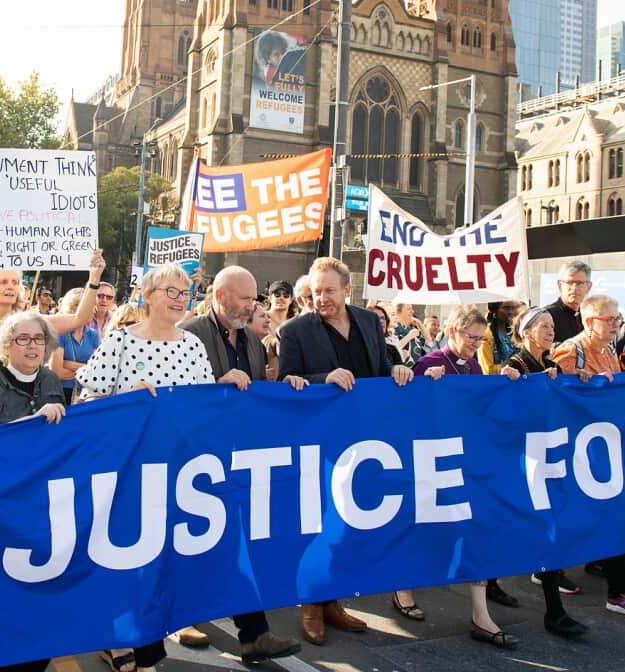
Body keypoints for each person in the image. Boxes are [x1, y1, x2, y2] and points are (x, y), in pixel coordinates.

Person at [76, 263, 216, 672]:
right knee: (121, 560)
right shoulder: (120, 341)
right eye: (170, 290)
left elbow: (205, 406)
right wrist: (125, 400)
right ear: (148, 295)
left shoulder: (192, 345)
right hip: (125, 470)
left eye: (184, 292)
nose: (179, 298)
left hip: (175, 472)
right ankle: (116, 641)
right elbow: (84, 404)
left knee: (161, 561)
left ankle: (150, 650)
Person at [277, 257, 413, 646]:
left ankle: (332, 601)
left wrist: (396, 371)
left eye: (329, 291)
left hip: (366, 441)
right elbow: (289, 381)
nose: (321, 298)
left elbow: (382, 364)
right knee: (318, 525)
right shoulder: (294, 331)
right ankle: (310, 605)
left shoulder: (369, 322)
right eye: (316, 292)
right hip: (320, 442)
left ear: (346, 290)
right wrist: (323, 379)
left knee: (349, 523)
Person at [177, 266, 306, 664]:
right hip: (193, 458)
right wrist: (215, 382)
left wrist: (282, 387)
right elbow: (175, 394)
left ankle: (254, 635)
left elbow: (255, 392)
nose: (253, 306)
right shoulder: (190, 333)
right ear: (219, 295)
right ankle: (183, 618)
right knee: (189, 541)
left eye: (255, 299)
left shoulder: (252, 339)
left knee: (238, 541)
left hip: (237, 456)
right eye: (245, 299)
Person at [409, 306, 521, 645]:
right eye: (471, 337)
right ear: (453, 331)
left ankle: (480, 614)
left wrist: (505, 381)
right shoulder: (428, 364)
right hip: (431, 463)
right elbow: (407, 410)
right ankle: (403, 590)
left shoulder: (474, 365)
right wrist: (425, 387)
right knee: (420, 528)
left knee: (475, 530)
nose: (476, 343)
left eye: (480, 338)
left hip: (463, 462)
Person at [550, 294, 625, 620]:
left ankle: (575, 566)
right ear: (589, 321)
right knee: (610, 515)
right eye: (609, 319)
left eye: (618, 318)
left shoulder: (610, 350)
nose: (617, 324)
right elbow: (556, 400)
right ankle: (621, 592)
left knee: (598, 515)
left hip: (602, 450)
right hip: (577, 454)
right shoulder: (571, 352)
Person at [497, 308, 589, 639]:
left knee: (546, 530)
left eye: (552, 327)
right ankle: (499, 585)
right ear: (526, 332)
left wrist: (574, 383)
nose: (551, 331)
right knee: (517, 528)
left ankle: (555, 611)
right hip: (520, 464)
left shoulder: (549, 367)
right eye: (544, 327)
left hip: (544, 462)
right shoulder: (515, 366)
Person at [0, 252, 105, 386]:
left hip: (21, 411)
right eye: (3, 282)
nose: (10, 286)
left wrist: (94, 279)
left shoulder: (34, 323)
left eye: (15, 282)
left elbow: (80, 319)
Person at [49, 288, 101, 405]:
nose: (94, 310)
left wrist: (69, 364)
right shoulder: (60, 333)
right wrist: (85, 368)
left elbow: (97, 370)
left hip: (86, 394)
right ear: (77, 309)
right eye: (91, 306)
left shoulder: (92, 334)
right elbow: (57, 373)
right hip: (61, 393)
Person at [547, 261, 593, 343]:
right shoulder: (547, 315)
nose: (574, 288)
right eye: (570, 282)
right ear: (560, 285)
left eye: (579, 283)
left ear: (588, 287)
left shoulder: (590, 316)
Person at [478, 300, 520, 374]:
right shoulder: (486, 334)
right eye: (506, 308)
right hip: (498, 382)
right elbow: (487, 369)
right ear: (495, 310)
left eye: (513, 308)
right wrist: (513, 367)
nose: (510, 312)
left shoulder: (515, 332)